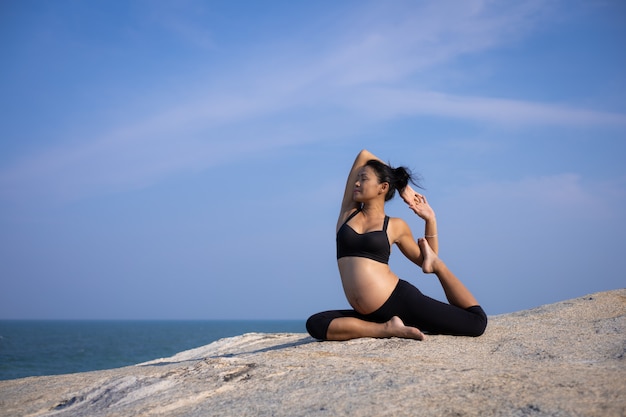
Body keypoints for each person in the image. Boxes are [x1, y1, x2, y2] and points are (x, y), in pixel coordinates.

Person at [306, 149, 487, 341]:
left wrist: (430, 220)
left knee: (476, 323)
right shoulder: (347, 213)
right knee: (316, 323)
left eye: (364, 179)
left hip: (400, 302)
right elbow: (364, 155)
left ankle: (442, 271)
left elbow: (428, 258)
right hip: (370, 315)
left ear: (383, 187)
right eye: (357, 178)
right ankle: (386, 329)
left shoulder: (394, 225)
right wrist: (403, 187)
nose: (356, 183)